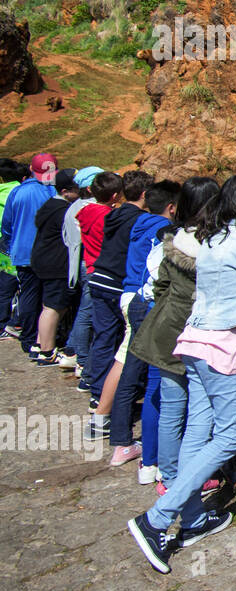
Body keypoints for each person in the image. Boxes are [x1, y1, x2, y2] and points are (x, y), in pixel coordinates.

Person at [128, 175, 236, 574]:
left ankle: (196, 517)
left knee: (198, 430)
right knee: (230, 437)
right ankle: (156, 519)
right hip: (224, 349)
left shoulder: (212, 239)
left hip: (193, 345)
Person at [129, 176, 219, 492]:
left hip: (168, 330)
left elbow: (160, 286)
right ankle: (193, 473)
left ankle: (167, 476)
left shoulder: (174, 241)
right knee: (200, 411)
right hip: (201, 335)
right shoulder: (216, 246)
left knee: (171, 408)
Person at [106, 179, 179, 469]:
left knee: (131, 366)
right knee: (146, 377)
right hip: (145, 303)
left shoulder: (137, 221)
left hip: (130, 295)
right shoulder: (159, 231)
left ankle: (131, 446)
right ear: (172, 207)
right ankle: (138, 451)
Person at [85, 170, 152, 440]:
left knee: (105, 339)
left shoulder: (115, 213)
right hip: (117, 284)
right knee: (123, 351)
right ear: (146, 195)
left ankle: (96, 392)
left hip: (98, 276)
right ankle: (102, 411)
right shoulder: (139, 220)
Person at [0, 154, 57, 354]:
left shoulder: (18, 192)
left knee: (28, 295)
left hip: (23, 251)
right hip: (49, 253)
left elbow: (6, 224)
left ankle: (28, 337)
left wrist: (9, 244)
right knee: (48, 297)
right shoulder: (54, 191)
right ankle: (47, 338)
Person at [27, 169, 82, 364]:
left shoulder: (50, 205)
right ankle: (47, 351)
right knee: (54, 307)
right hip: (56, 263)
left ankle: (40, 344)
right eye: (77, 189)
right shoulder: (64, 211)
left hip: (42, 259)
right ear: (66, 191)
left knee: (48, 305)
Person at [76, 171, 122, 394]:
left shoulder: (85, 211)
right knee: (104, 331)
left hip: (88, 266)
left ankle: (88, 373)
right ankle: (89, 375)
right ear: (115, 196)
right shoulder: (108, 217)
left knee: (98, 327)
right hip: (103, 271)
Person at [60, 166, 105, 376]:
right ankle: (82, 360)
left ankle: (71, 350)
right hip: (91, 262)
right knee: (87, 312)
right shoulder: (92, 209)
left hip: (78, 263)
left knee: (83, 310)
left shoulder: (73, 206)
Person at [0, 158, 25, 337]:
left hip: (2, 241)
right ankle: (13, 321)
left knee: (4, 283)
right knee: (16, 282)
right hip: (14, 241)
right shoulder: (19, 190)